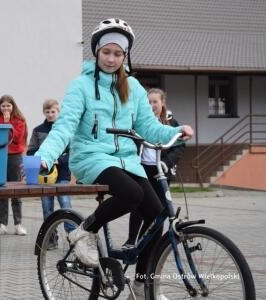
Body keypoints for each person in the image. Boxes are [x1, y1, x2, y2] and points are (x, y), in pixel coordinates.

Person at [34, 18, 193, 298]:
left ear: (125, 56)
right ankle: (84, 231)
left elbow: (149, 127)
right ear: (96, 51)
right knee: (131, 194)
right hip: (91, 157)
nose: (111, 58)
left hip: (127, 160)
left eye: (118, 53)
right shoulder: (80, 86)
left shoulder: (132, 86)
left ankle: (143, 283)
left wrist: (176, 130)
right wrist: (45, 155)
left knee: (156, 215)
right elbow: (65, 126)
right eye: (106, 52)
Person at [123, 88, 185, 248]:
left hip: (161, 170)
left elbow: (179, 146)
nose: (151, 105)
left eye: (155, 102)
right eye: (148, 102)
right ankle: (131, 240)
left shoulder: (171, 122)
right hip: (141, 168)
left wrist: (167, 162)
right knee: (138, 204)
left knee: (160, 209)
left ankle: (149, 240)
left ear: (162, 103)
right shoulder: (139, 122)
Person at [27, 99, 73, 247]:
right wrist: (42, 158)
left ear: (58, 112)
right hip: (44, 176)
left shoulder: (66, 130)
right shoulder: (38, 130)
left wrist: (58, 160)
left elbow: (73, 152)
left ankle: (73, 237)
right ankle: (51, 238)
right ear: (44, 113)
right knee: (47, 208)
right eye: (47, 112)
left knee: (65, 205)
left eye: (53, 111)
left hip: (63, 175)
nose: (50, 114)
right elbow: (31, 150)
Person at [0, 95, 28, 236]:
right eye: (3, 106)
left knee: (15, 191)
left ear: (13, 106)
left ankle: (18, 224)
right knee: (2, 190)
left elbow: (16, 139)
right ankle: (2, 223)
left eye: (8, 106)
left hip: (14, 157)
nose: (6, 108)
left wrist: (8, 124)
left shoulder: (19, 121)